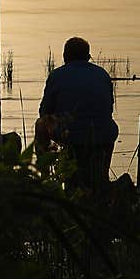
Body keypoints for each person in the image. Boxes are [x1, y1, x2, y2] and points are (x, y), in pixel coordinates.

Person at [35, 37, 118, 192]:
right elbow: (109, 109)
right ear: (87, 57)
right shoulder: (102, 74)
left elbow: (44, 112)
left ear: (65, 56)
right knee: (109, 125)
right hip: (103, 135)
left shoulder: (57, 75)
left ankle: (45, 181)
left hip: (71, 137)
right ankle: (102, 177)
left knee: (40, 124)